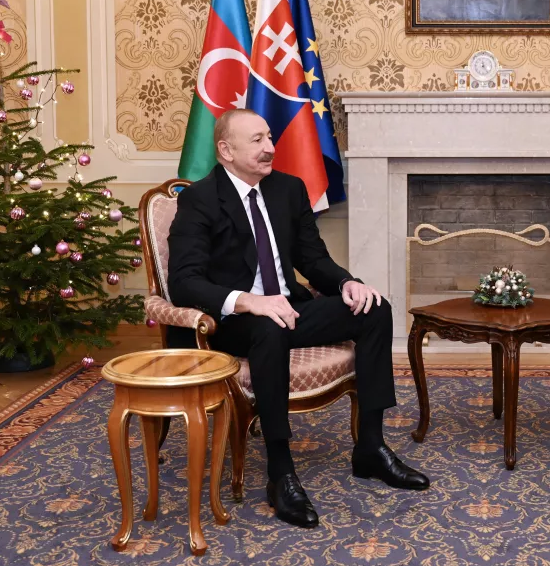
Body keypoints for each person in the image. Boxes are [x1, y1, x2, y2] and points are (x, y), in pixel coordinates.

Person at [167, 109, 429, 529]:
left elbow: (313, 259)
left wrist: (346, 282)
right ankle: (280, 470)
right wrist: (248, 301)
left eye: (270, 137)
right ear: (226, 150)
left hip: (290, 308)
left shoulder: (288, 189)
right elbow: (183, 282)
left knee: (374, 308)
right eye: (257, 140)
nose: (270, 147)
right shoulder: (201, 199)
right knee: (270, 325)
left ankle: (370, 447)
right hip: (233, 323)